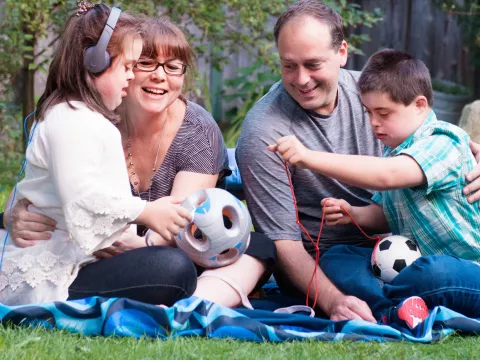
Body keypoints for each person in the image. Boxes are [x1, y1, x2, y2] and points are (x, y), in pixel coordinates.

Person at [2, 17, 276, 308]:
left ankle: (194, 303)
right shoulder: (87, 117)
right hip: (88, 255)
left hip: (167, 247)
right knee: (171, 270)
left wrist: (140, 241)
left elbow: (185, 227)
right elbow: (45, 189)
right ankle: (187, 303)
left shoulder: (196, 130)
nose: (160, 76)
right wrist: (12, 215)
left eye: (172, 67)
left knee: (251, 248)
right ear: (101, 64)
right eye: (142, 64)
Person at [236, 0, 480, 322]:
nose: (301, 78)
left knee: (431, 273)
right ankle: (394, 312)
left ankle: (401, 305)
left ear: (341, 53)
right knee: (341, 265)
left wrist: (471, 156)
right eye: (288, 65)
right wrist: (334, 301)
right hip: (332, 262)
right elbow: (285, 245)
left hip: (418, 249)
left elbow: (417, 154)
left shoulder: (375, 96)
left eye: (313, 64)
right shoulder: (264, 132)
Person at [0, 4, 193, 305]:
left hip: (78, 260)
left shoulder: (86, 118)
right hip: (53, 271)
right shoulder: (69, 119)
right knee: (173, 269)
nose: (131, 77)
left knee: (175, 268)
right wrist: (145, 211)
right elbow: (82, 199)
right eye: (127, 66)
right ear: (94, 62)